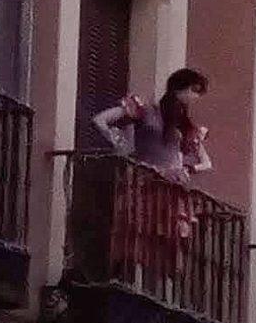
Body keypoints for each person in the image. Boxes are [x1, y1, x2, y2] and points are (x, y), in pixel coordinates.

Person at [91, 68, 212, 292]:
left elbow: (199, 160)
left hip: (170, 193)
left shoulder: (184, 126)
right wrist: (121, 145)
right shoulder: (146, 110)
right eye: (194, 90)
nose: (195, 97)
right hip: (144, 186)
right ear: (179, 88)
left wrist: (186, 168)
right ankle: (131, 288)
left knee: (164, 244)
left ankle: (154, 295)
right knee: (136, 237)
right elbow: (100, 120)